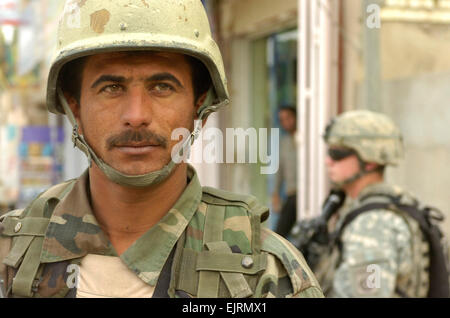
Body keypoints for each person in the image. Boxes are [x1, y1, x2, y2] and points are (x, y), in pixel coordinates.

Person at [0, 0, 323, 298]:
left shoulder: (263, 270)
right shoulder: (10, 255)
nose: (136, 116)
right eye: (111, 88)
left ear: (199, 104)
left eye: (162, 87)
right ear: (75, 106)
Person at [295, 110, 448, 297]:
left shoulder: (373, 225)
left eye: (337, 154)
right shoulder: (389, 207)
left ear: (369, 162)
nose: (328, 161)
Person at [272, 106, 298, 238]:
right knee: (279, 234)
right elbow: (279, 169)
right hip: (292, 194)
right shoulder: (284, 142)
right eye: (282, 120)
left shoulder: (307, 140)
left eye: (288, 118)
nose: (286, 122)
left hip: (307, 194)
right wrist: (275, 193)